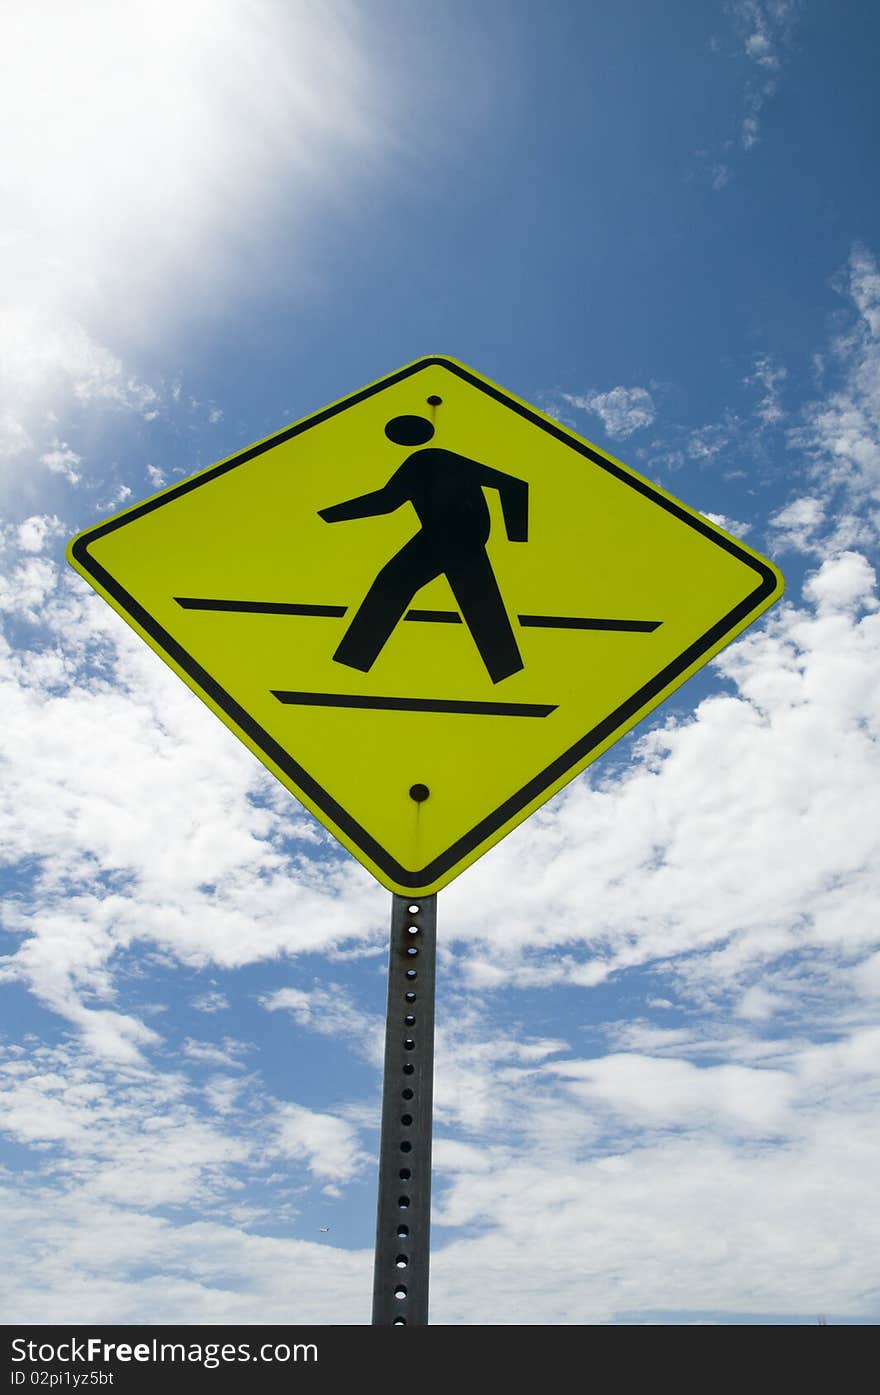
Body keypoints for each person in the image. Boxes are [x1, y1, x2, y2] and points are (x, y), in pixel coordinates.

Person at [319, 414, 528, 683]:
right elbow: (387, 502)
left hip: (457, 533)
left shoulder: (432, 459)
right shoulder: (423, 461)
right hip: (454, 535)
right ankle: (508, 671)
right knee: (476, 597)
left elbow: (514, 486)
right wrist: (328, 516)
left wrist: (517, 537)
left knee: (395, 581)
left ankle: (352, 662)